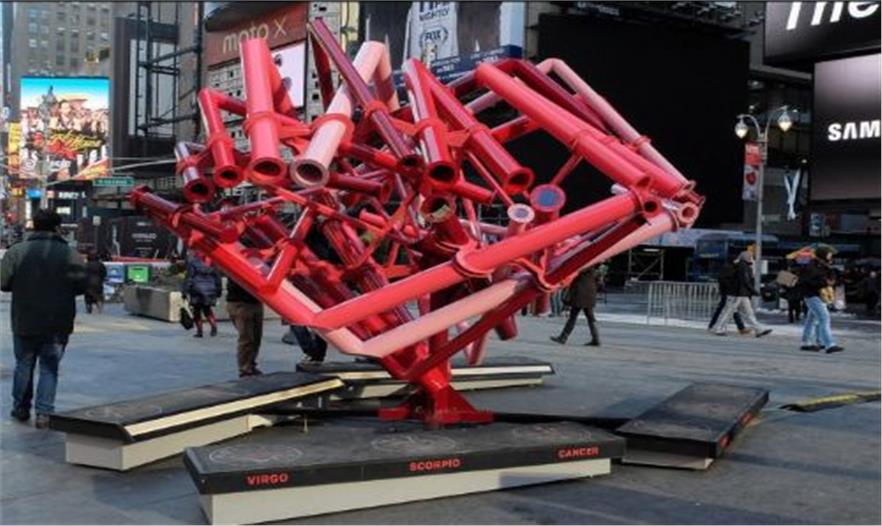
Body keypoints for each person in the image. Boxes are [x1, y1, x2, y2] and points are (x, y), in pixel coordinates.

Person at [1, 209, 86, 428]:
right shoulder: (70, 254)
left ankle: (21, 408)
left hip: (24, 320)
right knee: (49, 367)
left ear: (34, 226)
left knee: (24, 364)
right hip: (58, 322)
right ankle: (44, 413)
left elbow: (3, 282)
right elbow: (81, 285)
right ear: (58, 228)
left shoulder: (16, 251)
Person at [712, 250, 772, 338]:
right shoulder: (743, 266)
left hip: (741, 293)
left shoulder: (743, 265)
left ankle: (759, 330)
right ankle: (719, 329)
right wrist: (754, 291)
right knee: (729, 311)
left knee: (747, 312)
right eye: (750, 257)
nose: (752, 258)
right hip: (737, 293)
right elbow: (745, 280)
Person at [799, 246, 843, 353]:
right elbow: (810, 280)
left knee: (812, 319)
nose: (831, 256)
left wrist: (830, 274)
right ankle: (829, 344)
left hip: (818, 295)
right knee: (824, 318)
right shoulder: (813, 265)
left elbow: (831, 278)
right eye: (829, 253)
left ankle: (807, 342)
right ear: (823, 254)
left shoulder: (824, 265)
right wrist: (825, 282)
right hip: (813, 295)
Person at [550, 266, 600, 346]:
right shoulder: (592, 266)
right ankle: (596, 338)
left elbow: (574, 274)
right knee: (590, 316)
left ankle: (563, 337)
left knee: (573, 316)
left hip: (580, 293)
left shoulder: (582, 266)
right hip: (589, 292)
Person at [226, 279, 264, 377]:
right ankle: (245, 368)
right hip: (241, 303)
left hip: (255, 301)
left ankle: (250, 364)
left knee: (256, 337)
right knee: (247, 338)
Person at [183, 254, 221, 338]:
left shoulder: (193, 263)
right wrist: (218, 291)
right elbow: (218, 278)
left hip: (197, 290)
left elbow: (189, 278)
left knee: (197, 311)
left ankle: (199, 331)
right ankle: (213, 327)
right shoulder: (212, 263)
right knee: (207, 310)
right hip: (210, 289)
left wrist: (185, 291)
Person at [708, 260, 747, 333]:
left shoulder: (730, 268)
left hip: (728, 292)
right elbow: (724, 280)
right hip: (728, 293)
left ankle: (741, 327)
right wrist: (731, 288)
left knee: (730, 309)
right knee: (727, 309)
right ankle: (715, 326)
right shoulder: (729, 269)